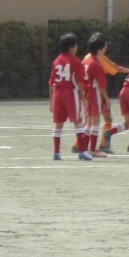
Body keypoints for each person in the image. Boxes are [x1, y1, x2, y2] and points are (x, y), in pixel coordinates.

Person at [48, 33, 90, 161]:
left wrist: (51, 102)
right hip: (70, 93)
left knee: (58, 124)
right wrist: (83, 98)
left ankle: (56, 153)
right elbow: (79, 82)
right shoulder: (75, 61)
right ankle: (82, 152)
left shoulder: (56, 61)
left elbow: (51, 83)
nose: (76, 48)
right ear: (71, 47)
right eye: (75, 45)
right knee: (78, 122)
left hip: (57, 93)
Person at [80, 33, 112, 158]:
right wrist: (106, 99)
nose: (105, 49)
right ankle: (93, 149)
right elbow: (101, 85)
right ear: (99, 49)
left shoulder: (86, 61)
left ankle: (84, 148)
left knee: (88, 121)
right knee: (95, 121)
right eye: (104, 47)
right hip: (94, 92)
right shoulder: (97, 64)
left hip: (87, 92)